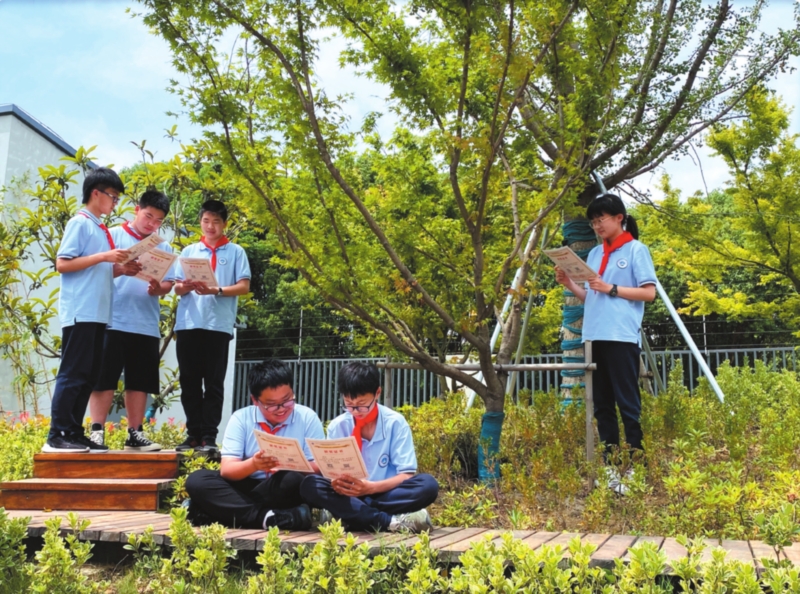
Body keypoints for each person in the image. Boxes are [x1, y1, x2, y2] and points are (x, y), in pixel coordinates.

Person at [555, 193, 657, 494]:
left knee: (628, 404)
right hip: (594, 335)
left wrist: (611, 287)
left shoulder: (637, 250)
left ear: (619, 218)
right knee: (602, 407)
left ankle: (638, 470)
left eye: (602, 218)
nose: (597, 224)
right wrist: (570, 284)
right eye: (594, 220)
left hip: (622, 336)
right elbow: (592, 297)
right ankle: (611, 469)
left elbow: (648, 293)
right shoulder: (595, 254)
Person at [44, 167, 134, 453]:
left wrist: (121, 269)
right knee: (73, 372)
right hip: (80, 310)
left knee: (89, 374)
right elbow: (63, 263)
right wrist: (105, 256)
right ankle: (56, 433)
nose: (115, 203)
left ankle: (72, 430)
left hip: (98, 313)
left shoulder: (99, 227)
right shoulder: (80, 223)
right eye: (113, 196)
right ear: (96, 193)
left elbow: (97, 270)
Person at [299, 361, 439, 532]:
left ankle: (349, 515)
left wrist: (370, 488)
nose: (355, 411)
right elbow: (330, 473)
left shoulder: (395, 423)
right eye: (349, 404)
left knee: (428, 485)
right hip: (348, 494)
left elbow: (406, 475)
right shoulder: (338, 426)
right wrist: (336, 483)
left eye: (362, 404)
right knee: (310, 484)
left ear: (377, 393)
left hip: (384, 492)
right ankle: (389, 521)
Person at [184, 359, 322, 529]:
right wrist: (254, 464)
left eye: (287, 400)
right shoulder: (241, 418)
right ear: (255, 400)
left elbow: (318, 467)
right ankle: (267, 517)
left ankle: (212, 511)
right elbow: (227, 470)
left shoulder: (307, 417)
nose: (281, 409)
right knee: (197, 480)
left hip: (281, 488)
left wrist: (292, 463)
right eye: (271, 405)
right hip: (246, 486)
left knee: (293, 480)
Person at [87, 190, 176, 452]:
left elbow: (169, 284)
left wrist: (159, 288)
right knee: (104, 378)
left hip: (145, 321)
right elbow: (96, 271)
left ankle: (135, 434)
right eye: (148, 216)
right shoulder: (113, 235)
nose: (152, 224)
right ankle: (96, 432)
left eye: (158, 221)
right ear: (137, 209)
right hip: (111, 318)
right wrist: (121, 269)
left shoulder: (164, 246)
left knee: (141, 380)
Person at [173, 200, 251, 453]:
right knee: (190, 382)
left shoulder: (236, 251)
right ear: (200, 222)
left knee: (214, 383)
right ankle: (193, 434)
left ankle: (209, 436)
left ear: (224, 224)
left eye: (216, 221)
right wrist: (186, 286)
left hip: (218, 325)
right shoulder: (189, 252)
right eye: (206, 221)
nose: (210, 226)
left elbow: (243, 286)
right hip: (188, 323)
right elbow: (176, 288)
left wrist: (215, 289)